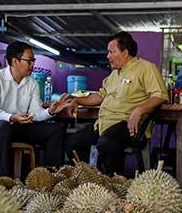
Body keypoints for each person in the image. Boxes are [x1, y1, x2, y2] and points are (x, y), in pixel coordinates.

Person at [64, 31, 168, 175]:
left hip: (128, 125)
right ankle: (88, 179)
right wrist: (77, 100)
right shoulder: (113, 75)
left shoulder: (146, 68)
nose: (108, 56)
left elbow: (160, 95)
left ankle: (111, 185)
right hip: (103, 126)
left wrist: (139, 110)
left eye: (111, 52)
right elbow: (100, 96)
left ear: (125, 52)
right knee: (72, 142)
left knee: (106, 143)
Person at [0, 41, 71, 178]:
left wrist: (50, 111)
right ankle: (5, 179)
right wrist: (11, 117)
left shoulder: (32, 83)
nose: (33, 65)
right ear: (15, 61)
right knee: (3, 126)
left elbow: (35, 113)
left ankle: (50, 177)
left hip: (16, 125)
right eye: (29, 61)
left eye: (33, 60)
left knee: (55, 130)